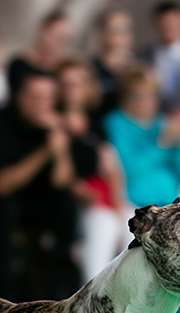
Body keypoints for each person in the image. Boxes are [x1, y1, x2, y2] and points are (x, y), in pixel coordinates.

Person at [0, 71, 79, 300]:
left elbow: (62, 182)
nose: (39, 105)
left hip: (39, 205)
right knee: (7, 207)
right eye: (33, 97)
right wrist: (45, 152)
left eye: (46, 98)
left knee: (66, 206)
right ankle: (6, 292)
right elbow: (1, 186)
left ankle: (59, 288)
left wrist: (59, 146)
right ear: (18, 97)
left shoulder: (55, 127)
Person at [55, 57, 131, 282]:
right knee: (103, 226)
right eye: (65, 84)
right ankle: (92, 298)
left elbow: (111, 166)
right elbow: (61, 176)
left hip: (103, 195)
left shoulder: (97, 123)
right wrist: (77, 189)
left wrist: (118, 204)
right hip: (70, 201)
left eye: (77, 83)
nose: (71, 90)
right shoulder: (52, 121)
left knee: (135, 225)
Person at [103, 66, 180, 207]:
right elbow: (126, 168)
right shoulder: (116, 123)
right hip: (134, 207)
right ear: (124, 97)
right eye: (136, 95)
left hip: (168, 205)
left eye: (149, 95)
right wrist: (161, 145)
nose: (142, 101)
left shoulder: (163, 123)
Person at [6, 10, 71, 95]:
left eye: (63, 39)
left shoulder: (62, 70)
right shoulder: (19, 66)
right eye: (56, 36)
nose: (58, 43)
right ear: (41, 30)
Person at [92, 7, 136, 115]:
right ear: (101, 34)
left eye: (124, 29)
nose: (119, 35)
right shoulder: (89, 71)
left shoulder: (139, 72)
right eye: (114, 29)